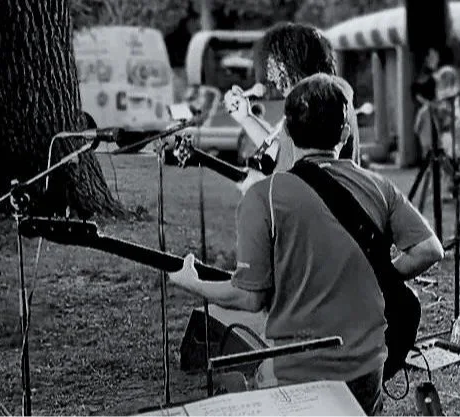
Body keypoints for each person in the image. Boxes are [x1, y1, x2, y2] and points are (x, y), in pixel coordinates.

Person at [168, 74, 445, 414]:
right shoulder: (379, 186)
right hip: (368, 368)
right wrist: (381, 275)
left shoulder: (262, 195)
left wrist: (192, 283)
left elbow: (249, 297)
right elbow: (429, 249)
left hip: (298, 375)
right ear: (344, 134)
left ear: (285, 134)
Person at [223, 22, 361, 191]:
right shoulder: (311, 102)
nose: (272, 77)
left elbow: (305, 178)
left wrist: (262, 186)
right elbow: (283, 153)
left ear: (297, 61)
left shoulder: (320, 102)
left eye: (277, 66)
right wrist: (246, 118)